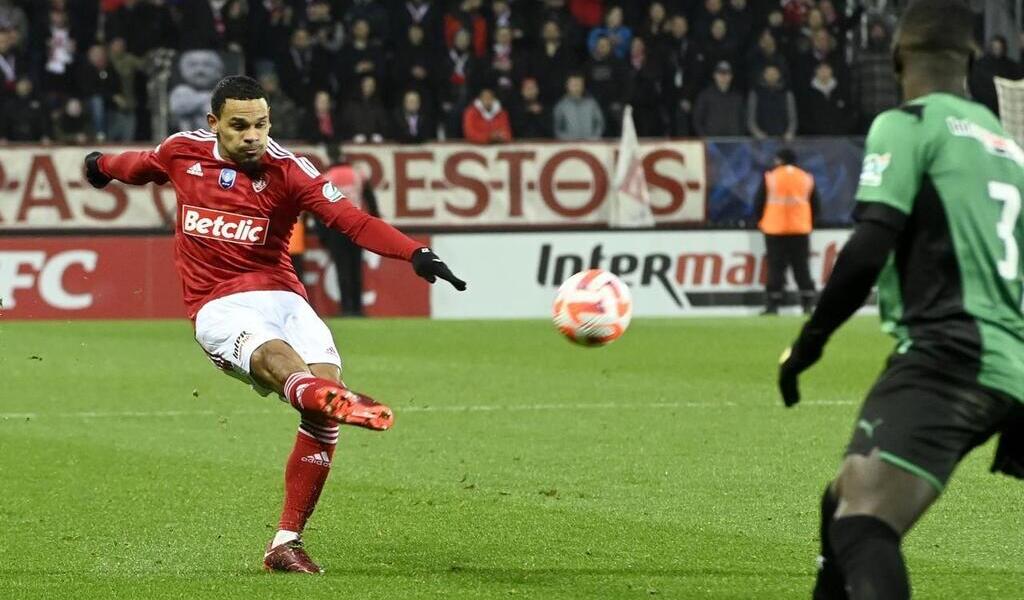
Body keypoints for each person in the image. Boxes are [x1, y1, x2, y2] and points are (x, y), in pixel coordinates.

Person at [82, 75, 466, 574]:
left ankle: (285, 542)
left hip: (284, 297)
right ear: (213, 124)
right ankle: (317, 392)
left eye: (260, 124)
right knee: (282, 364)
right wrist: (99, 167)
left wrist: (414, 252)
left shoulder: (289, 170)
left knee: (324, 409)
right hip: (218, 305)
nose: (252, 135)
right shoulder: (182, 152)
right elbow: (133, 165)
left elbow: (353, 220)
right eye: (239, 125)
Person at [777, 2, 1024, 598]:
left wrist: (808, 346)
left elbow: (868, 249)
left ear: (895, 58)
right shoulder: (1007, 147)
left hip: (951, 355)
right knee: (839, 500)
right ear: (970, 61)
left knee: (863, 525)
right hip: (1012, 361)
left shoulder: (908, 124)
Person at [754, 147, 818, 315]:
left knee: (775, 267)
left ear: (780, 160)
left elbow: (759, 202)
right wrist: (810, 222)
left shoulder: (771, 177)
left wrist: (760, 221)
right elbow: (815, 204)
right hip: (800, 229)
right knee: (802, 267)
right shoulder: (805, 178)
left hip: (775, 229)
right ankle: (807, 303)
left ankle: (773, 305)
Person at [320, 143, 379, 316]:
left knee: (342, 268)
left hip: (336, 227)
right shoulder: (357, 174)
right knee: (356, 267)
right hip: (357, 225)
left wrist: (323, 234)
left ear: (329, 158)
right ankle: (358, 308)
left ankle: (346, 308)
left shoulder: (327, 177)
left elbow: (318, 209)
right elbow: (371, 200)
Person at [553, 73, 604, 140]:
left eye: (579, 84)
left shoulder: (592, 104)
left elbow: (600, 123)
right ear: (567, 86)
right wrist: (567, 140)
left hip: (591, 144)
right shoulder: (561, 105)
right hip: (569, 145)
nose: (576, 87)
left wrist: (594, 138)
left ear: (583, 86)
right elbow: (556, 127)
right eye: (573, 85)